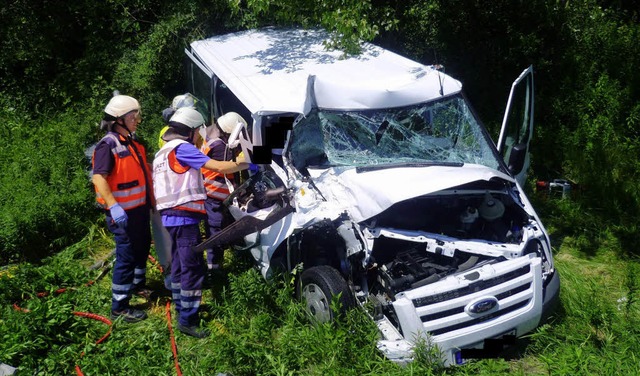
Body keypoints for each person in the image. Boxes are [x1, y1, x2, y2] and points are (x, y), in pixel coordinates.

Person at [152, 107, 249, 338]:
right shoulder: (182, 148)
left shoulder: (162, 152)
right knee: (192, 268)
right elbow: (217, 167)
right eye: (199, 132)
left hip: (169, 217)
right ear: (192, 130)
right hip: (184, 217)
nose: (200, 137)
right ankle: (188, 320)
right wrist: (244, 162)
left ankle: (180, 306)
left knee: (177, 264)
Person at [92, 94, 154, 323]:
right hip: (122, 213)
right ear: (119, 119)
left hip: (138, 210)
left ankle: (138, 285)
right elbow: (99, 178)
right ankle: (119, 307)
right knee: (126, 257)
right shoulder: (108, 144)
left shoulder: (131, 142)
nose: (137, 120)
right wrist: (114, 206)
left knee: (141, 248)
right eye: (133, 116)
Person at [200, 112, 247, 271]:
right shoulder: (220, 146)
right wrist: (247, 161)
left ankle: (221, 259)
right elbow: (230, 165)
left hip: (212, 194)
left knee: (220, 227)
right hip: (215, 195)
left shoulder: (210, 138)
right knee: (216, 230)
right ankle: (215, 268)